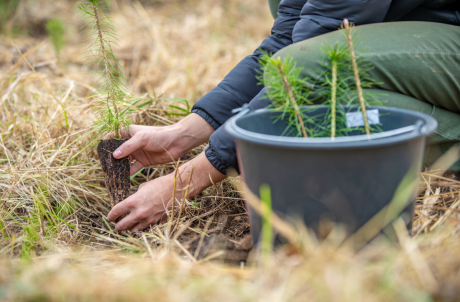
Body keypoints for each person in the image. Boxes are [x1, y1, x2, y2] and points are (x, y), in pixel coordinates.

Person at [107, 0, 460, 232]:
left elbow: (305, 61)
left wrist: (183, 182)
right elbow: (285, 44)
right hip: (421, 53)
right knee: (332, 109)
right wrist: (183, 133)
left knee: (313, 69)